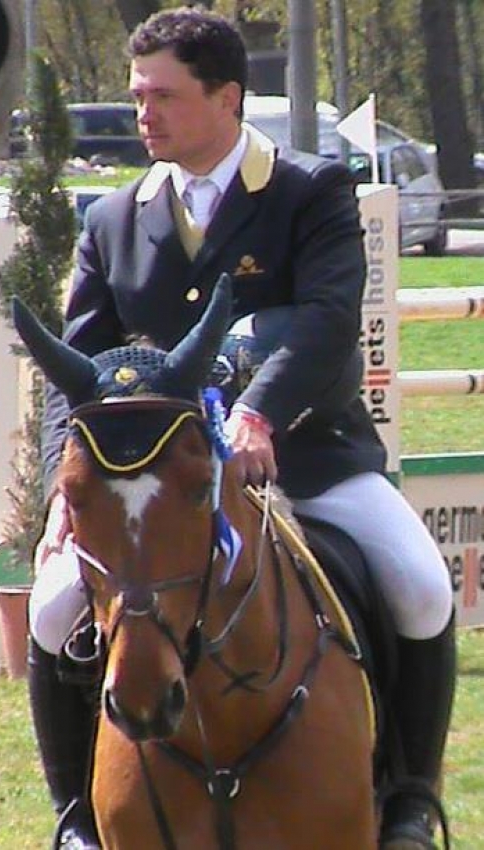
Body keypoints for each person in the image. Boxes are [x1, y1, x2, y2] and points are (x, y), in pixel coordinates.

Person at [27, 7, 455, 850]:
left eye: (162, 96)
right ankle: (76, 819)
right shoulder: (111, 220)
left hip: (309, 458)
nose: (142, 113)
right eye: (136, 95)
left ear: (225, 98)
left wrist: (257, 408)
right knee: (49, 614)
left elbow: (330, 319)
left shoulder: (306, 192)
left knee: (419, 585)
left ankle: (406, 798)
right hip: (150, 486)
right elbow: (71, 375)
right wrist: (60, 494)